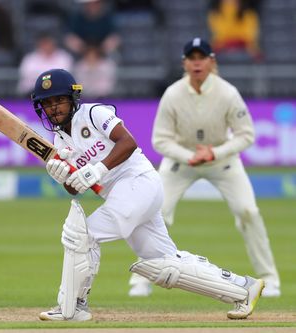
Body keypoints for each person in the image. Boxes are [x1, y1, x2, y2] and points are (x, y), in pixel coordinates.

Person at [31, 68, 265, 322]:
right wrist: (64, 177)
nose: (53, 108)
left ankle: (73, 306)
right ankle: (245, 288)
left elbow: (128, 142)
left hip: (138, 183)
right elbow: (77, 187)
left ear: (72, 98)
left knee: (83, 236)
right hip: (124, 196)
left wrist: (96, 169)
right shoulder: (60, 141)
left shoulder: (93, 113)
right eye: (47, 103)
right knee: (164, 264)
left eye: (58, 100)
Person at [128, 37, 280, 299]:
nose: (197, 63)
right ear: (185, 63)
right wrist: (189, 156)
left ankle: (269, 278)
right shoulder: (173, 94)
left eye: (202, 58)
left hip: (221, 161)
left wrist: (214, 152)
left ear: (212, 62)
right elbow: (160, 140)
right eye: (192, 58)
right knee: (155, 213)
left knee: (248, 211)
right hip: (181, 162)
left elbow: (246, 134)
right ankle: (142, 278)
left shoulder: (227, 93)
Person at [17, 32, 73, 97]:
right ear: (39, 44)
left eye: (48, 43)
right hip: (31, 94)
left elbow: (64, 76)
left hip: (59, 93)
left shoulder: (64, 57)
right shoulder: (30, 59)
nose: (46, 46)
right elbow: (27, 77)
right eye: (44, 43)